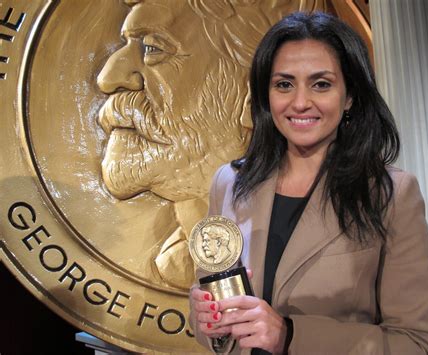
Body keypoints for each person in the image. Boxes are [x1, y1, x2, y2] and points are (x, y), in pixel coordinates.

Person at [190, 11, 428, 354]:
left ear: (349, 95)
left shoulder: (392, 195)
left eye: (321, 84)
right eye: (284, 84)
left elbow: (418, 345)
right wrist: (208, 319)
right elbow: (218, 332)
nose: (300, 102)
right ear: (266, 95)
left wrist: (290, 336)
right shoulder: (229, 183)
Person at [96, 0, 318, 290]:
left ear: (254, 91)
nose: (108, 79)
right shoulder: (180, 260)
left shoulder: (319, 236)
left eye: (153, 48)